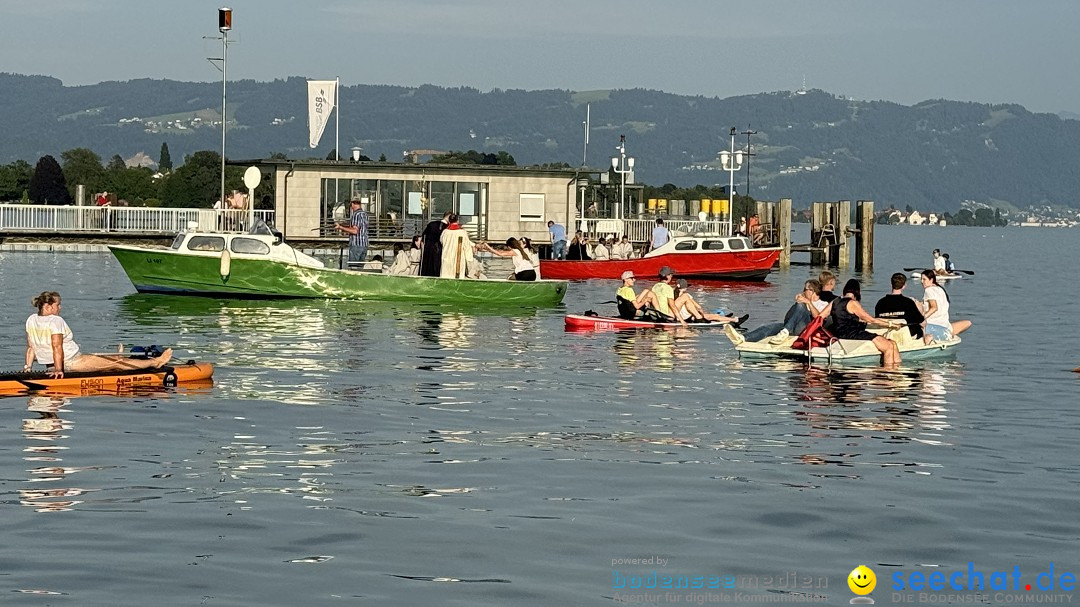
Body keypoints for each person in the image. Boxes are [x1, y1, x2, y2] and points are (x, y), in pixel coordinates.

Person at [24, 292, 172, 378]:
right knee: (118, 364)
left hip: (52, 365)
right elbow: (57, 347)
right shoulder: (56, 321)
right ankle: (156, 362)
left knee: (108, 362)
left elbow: (31, 348)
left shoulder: (31, 320)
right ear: (48, 306)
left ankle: (117, 357)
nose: (60, 308)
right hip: (72, 363)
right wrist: (59, 370)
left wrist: (27, 369)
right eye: (58, 305)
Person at [820, 279, 902, 366]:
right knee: (888, 346)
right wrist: (891, 325)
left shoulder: (834, 302)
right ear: (857, 291)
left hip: (839, 333)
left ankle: (896, 371)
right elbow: (871, 320)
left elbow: (820, 317)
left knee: (892, 343)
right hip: (853, 334)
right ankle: (889, 374)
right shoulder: (853, 303)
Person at [728, 279, 827, 345]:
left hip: (805, 330)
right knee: (767, 328)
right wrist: (796, 304)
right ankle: (743, 338)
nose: (803, 292)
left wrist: (808, 303)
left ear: (812, 291)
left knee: (801, 306)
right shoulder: (802, 302)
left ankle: (785, 331)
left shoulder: (823, 304)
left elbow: (818, 317)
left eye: (805, 290)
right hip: (791, 326)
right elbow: (787, 318)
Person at [919, 270, 972, 344]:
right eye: (921, 279)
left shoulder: (928, 290)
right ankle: (949, 335)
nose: (922, 281)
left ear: (931, 280)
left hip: (932, 324)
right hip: (945, 325)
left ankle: (931, 337)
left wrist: (922, 318)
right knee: (968, 322)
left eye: (924, 279)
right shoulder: (941, 289)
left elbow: (934, 307)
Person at [875, 273, 925, 341]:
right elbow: (922, 322)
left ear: (891, 284)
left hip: (886, 334)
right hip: (905, 335)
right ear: (904, 286)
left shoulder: (880, 303)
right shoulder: (908, 303)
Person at [673, 279, 747, 324]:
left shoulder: (674, 296)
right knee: (713, 316)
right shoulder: (686, 295)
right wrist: (702, 313)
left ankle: (723, 318)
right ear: (685, 287)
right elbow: (698, 307)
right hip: (689, 316)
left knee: (711, 316)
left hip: (683, 316)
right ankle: (735, 320)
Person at [440, 213, 478, 279]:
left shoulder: (445, 232)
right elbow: (467, 247)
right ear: (457, 221)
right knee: (457, 278)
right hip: (458, 258)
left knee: (446, 276)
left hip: (447, 257)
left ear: (449, 221)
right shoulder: (462, 232)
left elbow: (441, 242)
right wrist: (469, 260)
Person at [335, 199, 369, 265]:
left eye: (350, 205)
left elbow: (355, 231)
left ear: (353, 204)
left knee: (353, 266)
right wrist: (345, 225)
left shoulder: (356, 215)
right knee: (360, 268)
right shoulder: (365, 214)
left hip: (356, 244)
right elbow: (360, 227)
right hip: (364, 244)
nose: (351, 207)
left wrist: (340, 227)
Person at [420, 211, 451, 276]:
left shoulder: (431, 224)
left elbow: (423, 237)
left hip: (428, 250)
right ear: (449, 217)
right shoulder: (447, 228)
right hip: (439, 250)